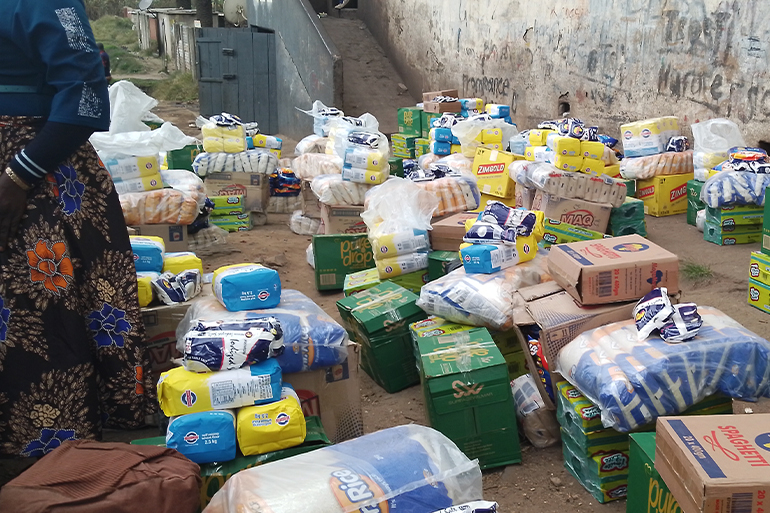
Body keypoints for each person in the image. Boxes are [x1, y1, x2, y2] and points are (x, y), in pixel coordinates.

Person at [0, 0, 154, 466]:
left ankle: (51, 456)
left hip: (33, 174)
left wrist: (17, 177)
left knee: (38, 313)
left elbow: (85, 94)